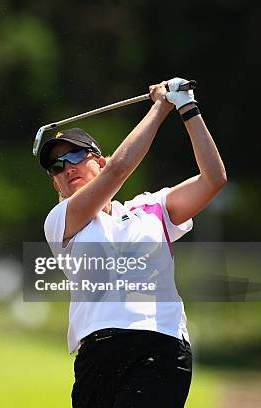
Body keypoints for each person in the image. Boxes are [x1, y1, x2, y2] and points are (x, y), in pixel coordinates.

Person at [40, 78, 226, 407]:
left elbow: (213, 179)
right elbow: (119, 172)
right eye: (57, 165)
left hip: (159, 348)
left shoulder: (151, 207)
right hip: (98, 354)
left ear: (100, 160)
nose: (67, 167)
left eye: (76, 155)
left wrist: (187, 108)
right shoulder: (61, 220)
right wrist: (160, 107)